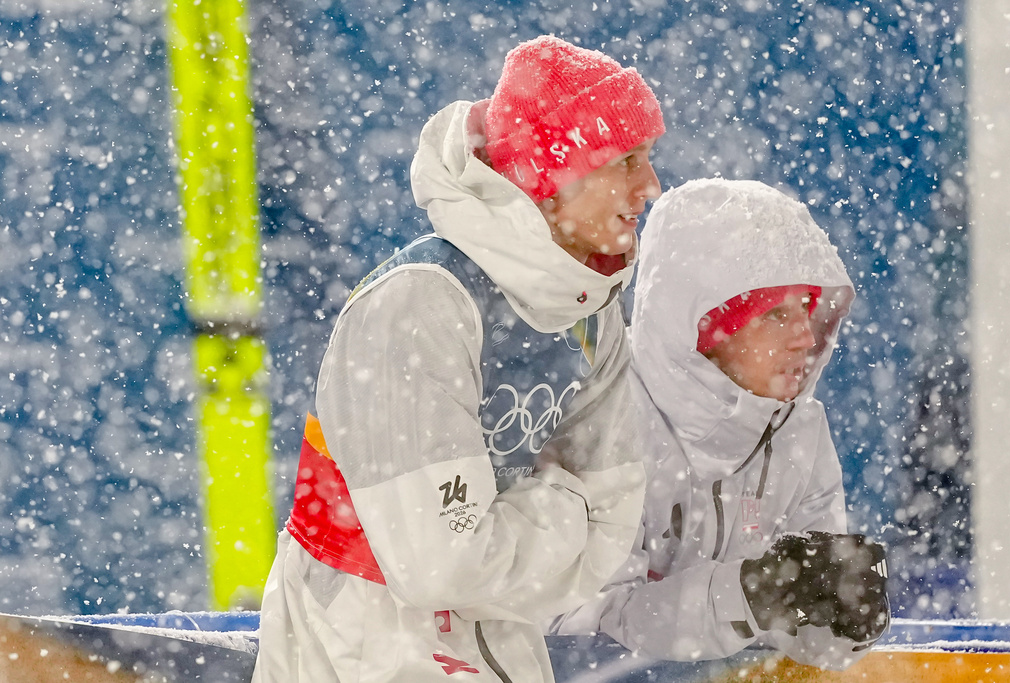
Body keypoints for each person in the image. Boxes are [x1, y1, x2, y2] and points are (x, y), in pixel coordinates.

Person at [251, 35, 665, 682]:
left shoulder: (591, 308)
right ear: (554, 176)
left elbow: (612, 530)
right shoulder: (420, 303)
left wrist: (499, 546)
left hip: (504, 636)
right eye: (628, 160)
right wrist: (566, 506)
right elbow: (436, 564)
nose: (651, 185)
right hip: (360, 643)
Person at [552, 178, 890, 670]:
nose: (804, 336)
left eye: (808, 309)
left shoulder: (800, 430)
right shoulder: (607, 420)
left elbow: (801, 647)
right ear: (702, 330)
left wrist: (840, 618)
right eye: (775, 314)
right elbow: (586, 627)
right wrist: (757, 593)